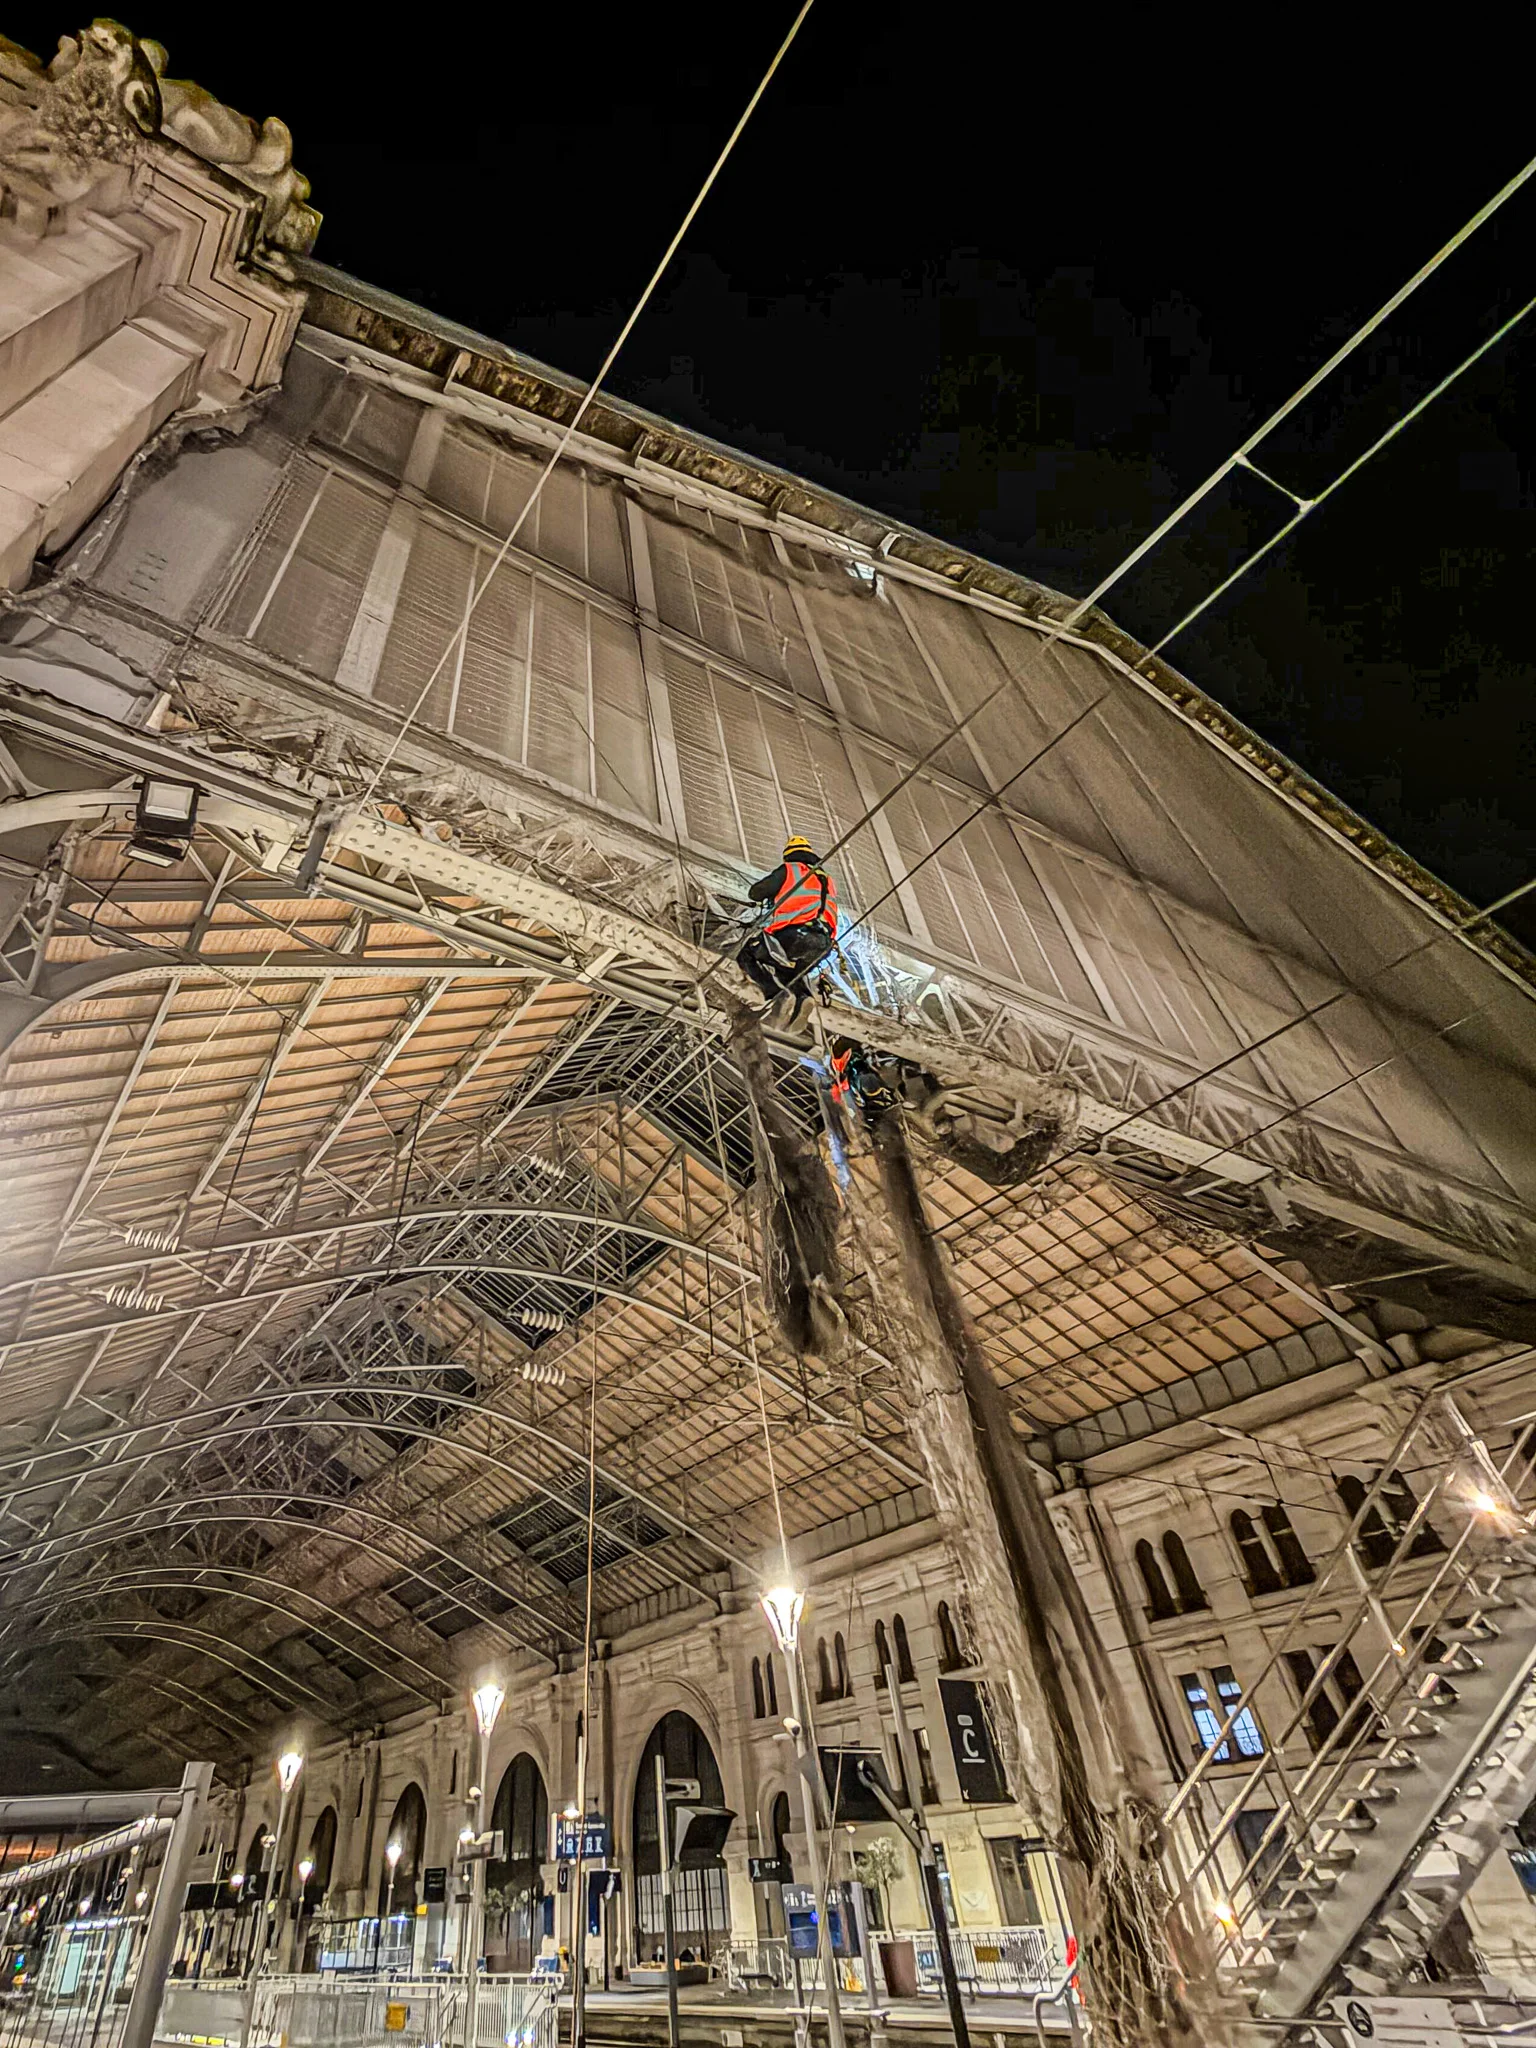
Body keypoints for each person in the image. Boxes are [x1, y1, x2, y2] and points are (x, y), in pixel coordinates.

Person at [739, 835, 838, 1023]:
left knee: (747, 954)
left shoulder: (790, 869)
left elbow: (756, 893)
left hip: (795, 935)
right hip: (823, 944)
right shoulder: (827, 880)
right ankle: (803, 998)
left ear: (789, 855)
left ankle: (774, 994)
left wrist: (772, 896)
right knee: (791, 972)